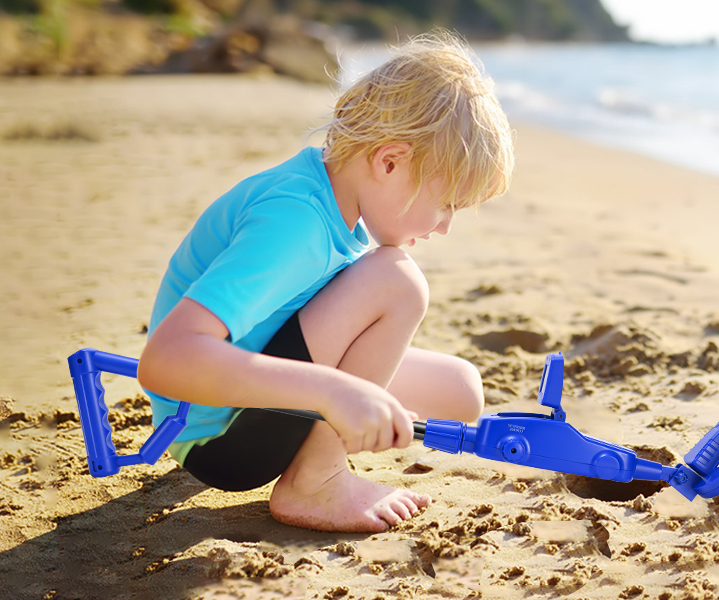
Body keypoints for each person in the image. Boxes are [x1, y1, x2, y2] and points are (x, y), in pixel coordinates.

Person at [136, 31, 514, 533]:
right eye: (447, 204)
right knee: (397, 280)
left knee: (462, 392)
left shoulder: (340, 206)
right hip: (218, 436)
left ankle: (317, 454)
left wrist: (343, 393)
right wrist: (332, 393)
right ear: (389, 162)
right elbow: (165, 361)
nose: (444, 226)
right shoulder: (296, 222)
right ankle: (315, 482)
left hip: (253, 391)